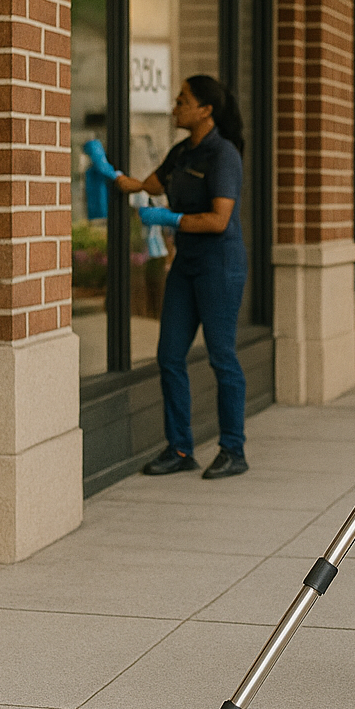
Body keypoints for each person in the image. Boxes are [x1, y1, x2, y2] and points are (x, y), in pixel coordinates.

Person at [103, 75, 249, 480]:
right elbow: (145, 185)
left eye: (183, 100)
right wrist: (106, 170)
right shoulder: (182, 152)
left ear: (206, 110)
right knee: (169, 355)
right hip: (186, 266)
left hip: (220, 265)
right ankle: (181, 448)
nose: (175, 106)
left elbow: (220, 219)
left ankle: (233, 449)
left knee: (222, 356)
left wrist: (170, 218)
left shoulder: (224, 156)